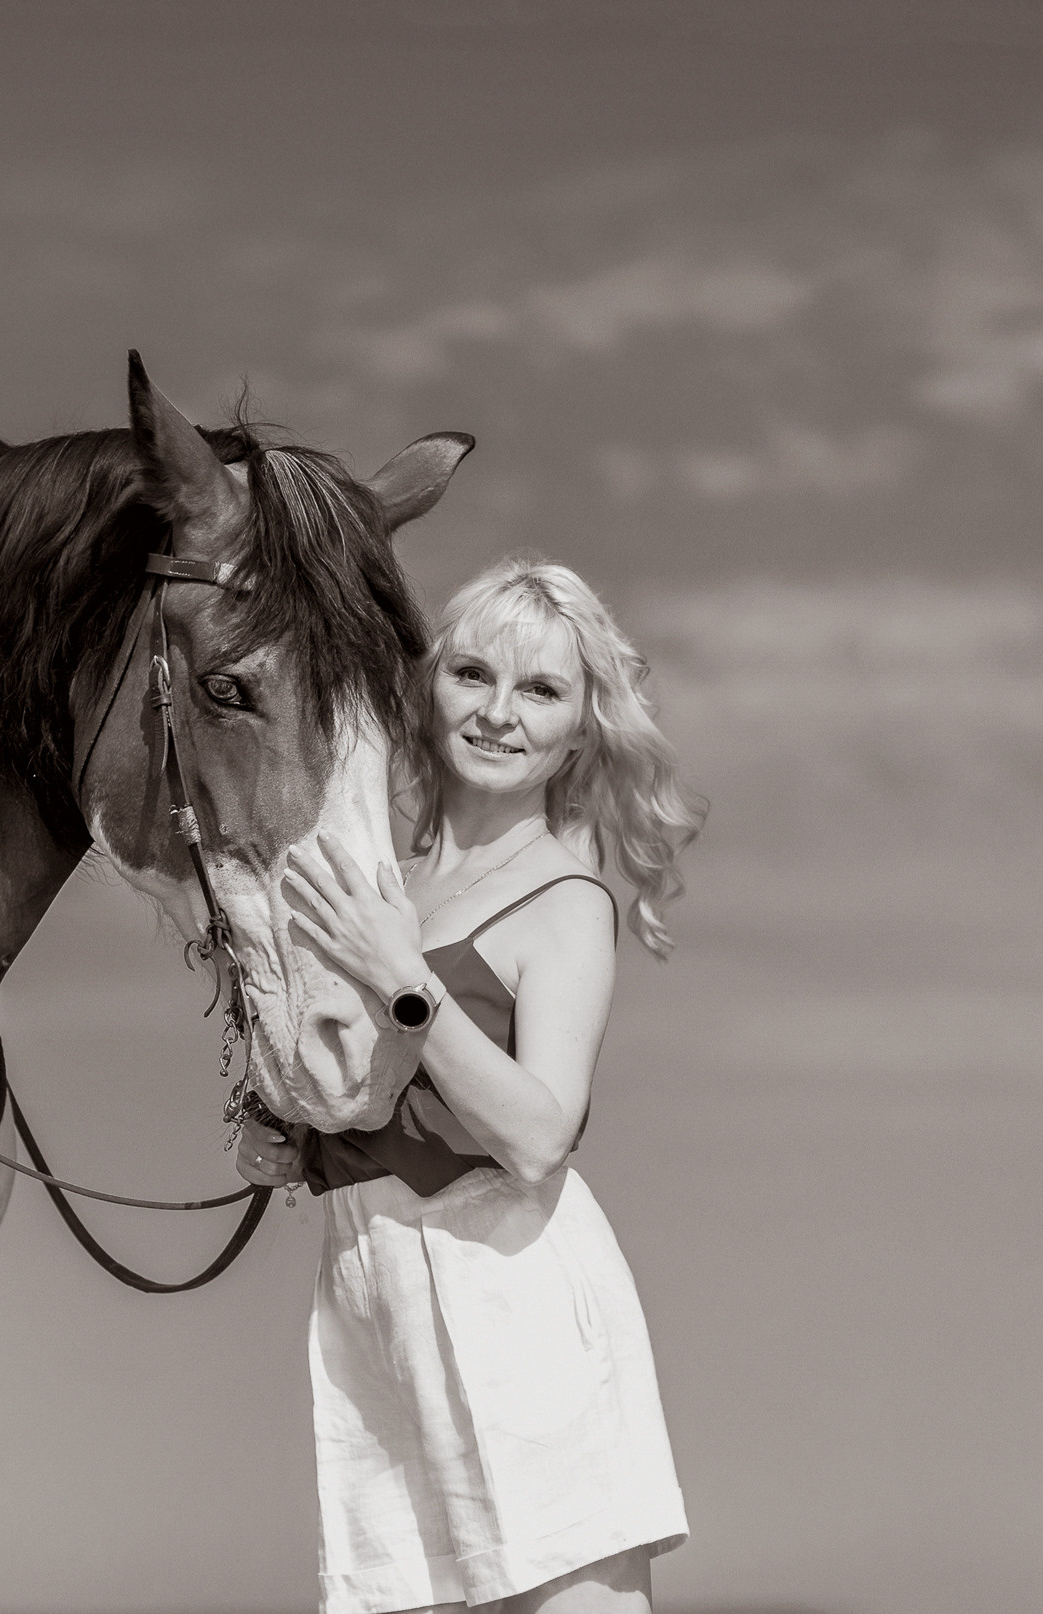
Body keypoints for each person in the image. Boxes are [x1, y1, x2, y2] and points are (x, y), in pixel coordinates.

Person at [240, 556, 705, 1614]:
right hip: (371, 1300)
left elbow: (538, 1135)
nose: (499, 714)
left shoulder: (564, 899)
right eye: (472, 676)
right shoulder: (384, 884)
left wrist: (402, 979)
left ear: (582, 730)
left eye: (540, 691)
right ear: (428, 688)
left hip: (509, 1288)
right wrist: (281, 1139)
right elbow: (364, 1091)